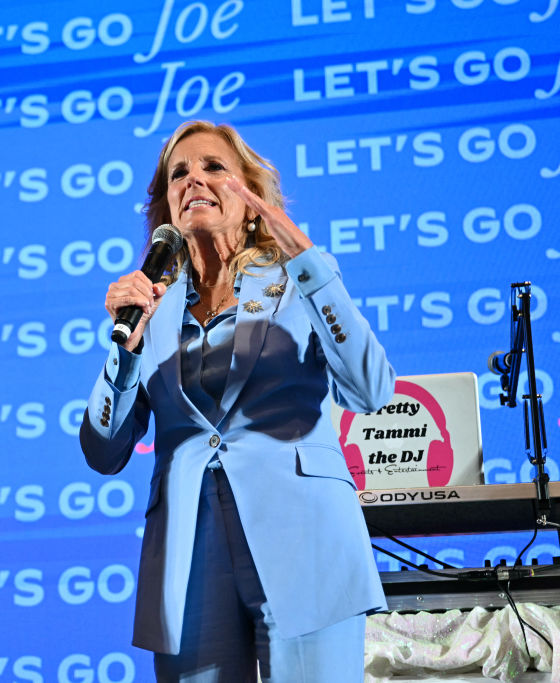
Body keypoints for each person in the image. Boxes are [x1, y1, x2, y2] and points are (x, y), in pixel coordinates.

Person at [79, 121, 395, 682]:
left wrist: (306, 258)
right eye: (178, 174)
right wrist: (123, 352)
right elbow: (104, 452)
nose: (193, 179)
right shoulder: (151, 308)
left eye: (212, 167)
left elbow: (370, 390)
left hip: (308, 543)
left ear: (251, 200)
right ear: (166, 211)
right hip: (189, 554)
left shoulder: (301, 281)